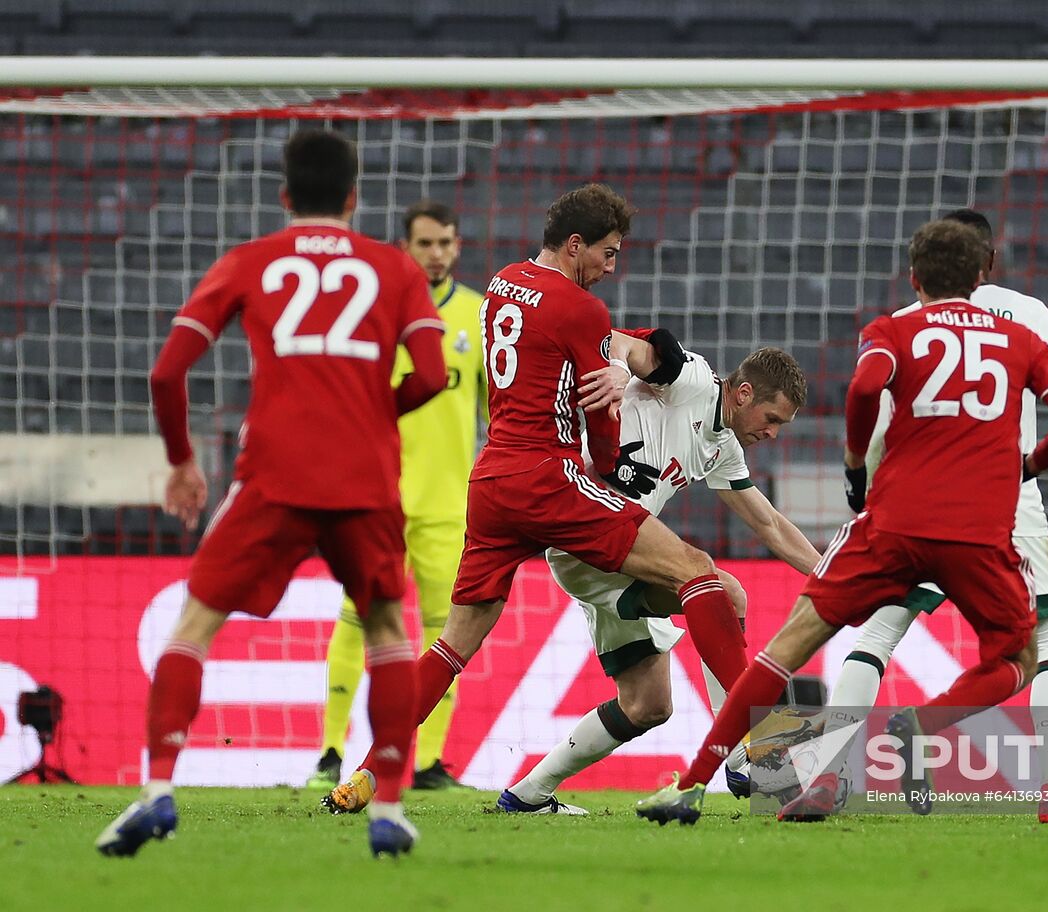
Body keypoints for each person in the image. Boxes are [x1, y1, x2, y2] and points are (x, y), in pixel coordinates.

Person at [634, 218, 1048, 825]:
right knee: (1023, 659)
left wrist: (854, 465)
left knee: (789, 649)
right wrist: (1028, 466)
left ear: (914, 278)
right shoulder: (1021, 337)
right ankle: (924, 726)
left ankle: (696, 787)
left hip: (895, 524)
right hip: (981, 533)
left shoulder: (893, 329)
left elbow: (864, 389)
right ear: (983, 272)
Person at [323, 184, 750, 814]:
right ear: (576, 245)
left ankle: (366, 772)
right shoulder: (581, 309)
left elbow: (585, 359)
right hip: (548, 477)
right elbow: (600, 413)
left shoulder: (501, 283)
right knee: (698, 574)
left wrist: (629, 358)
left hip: (490, 480)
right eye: (607, 253)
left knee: (452, 643)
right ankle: (754, 747)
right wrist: (609, 478)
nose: (612, 266)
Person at [96, 129, 446, 858]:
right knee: (387, 632)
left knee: (194, 625)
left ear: (285, 197)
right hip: (364, 480)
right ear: (354, 197)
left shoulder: (249, 261)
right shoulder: (393, 268)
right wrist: (372, 414)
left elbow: (166, 373)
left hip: (274, 476)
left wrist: (184, 462)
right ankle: (385, 806)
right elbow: (434, 374)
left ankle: (157, 791)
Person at [827, 208, 1048, 824]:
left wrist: (869, 486)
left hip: (914, 502)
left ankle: (826, 778)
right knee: (1045, 641)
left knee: (878, 632)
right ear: (987, 262)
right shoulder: (1028, 315)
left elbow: (876, 417)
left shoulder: (906, 323)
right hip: (1007, 499)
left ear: (920, 271)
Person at [498, 345, 821, 814]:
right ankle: (746, 751)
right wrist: (612, 364)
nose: (771, 433)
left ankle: (526, 795)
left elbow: (769, 524)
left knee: (647, 704)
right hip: (587, 531)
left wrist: (831, 576)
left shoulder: (724, 446)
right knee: (723, 591)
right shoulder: (689, 380)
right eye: (771, 418)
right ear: (744, 392)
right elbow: (626, 341)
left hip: (621, 554)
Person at [307, 200, 488, 792]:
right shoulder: (376, 312)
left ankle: (428, 762)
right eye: (425, 243)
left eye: (446, 243)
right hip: (377, 499)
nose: (436, 254)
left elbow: (497, 412)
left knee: (446, 631)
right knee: (357, 618)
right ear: (405, 248)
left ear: (458, 247)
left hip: (447, 505)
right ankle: (331, 752)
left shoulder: (479, 316)